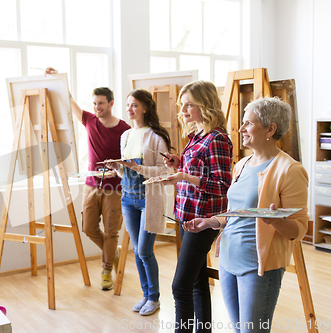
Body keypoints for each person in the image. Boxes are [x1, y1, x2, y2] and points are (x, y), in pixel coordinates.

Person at [182, 97, 309, 333]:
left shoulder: (290, 170)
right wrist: (210, 221)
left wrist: (275, 221)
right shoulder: (241, 164)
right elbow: (236, 213)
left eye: (248, 123)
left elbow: (300, 229)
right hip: (229, 260)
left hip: (258, 265)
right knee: (239, 329)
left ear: (270, 129)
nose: (240, 129)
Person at [45, 67, 131, 290]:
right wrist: (56, 78)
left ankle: (106, 271)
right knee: (88, 228)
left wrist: (118, 169)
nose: (97, 108)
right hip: (91, 185)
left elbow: (130, 160)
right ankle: (113, 252)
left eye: (101, 103)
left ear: (111, 103)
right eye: (94, 104)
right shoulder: (89, 120)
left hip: (115, 187)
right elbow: (68, 100)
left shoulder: (125, 129)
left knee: (112, 231)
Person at [161, 80, 233, 332]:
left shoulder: (217, 138)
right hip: (186, 215)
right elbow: (198, 170)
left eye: (189, 105)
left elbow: (222, 185)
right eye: (183, 105)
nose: (183, 111)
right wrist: (179, 164)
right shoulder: (196, 135)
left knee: (180, 286)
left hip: (204, 219)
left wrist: (184, 176)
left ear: (206, 104)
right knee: (197, 282)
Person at [109, 88, 171, 315]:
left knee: (145, 250)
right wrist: (117, 167)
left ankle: (154, 298)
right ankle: (146, 295)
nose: (129, 109)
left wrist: (139, 167)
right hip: (128, 199)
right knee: (137, 250)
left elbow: (165, 170)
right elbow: (124, 174)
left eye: (134, 105)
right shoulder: (125, 136)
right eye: (128, 105)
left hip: (148, 199)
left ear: (145, 107)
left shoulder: (156, 136)